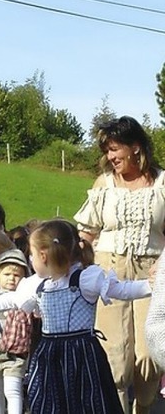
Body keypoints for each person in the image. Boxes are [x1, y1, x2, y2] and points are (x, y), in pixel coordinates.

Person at [0, 219, 153, 414]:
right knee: (51, 404)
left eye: (31, 255)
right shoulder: (37, 284)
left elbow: (123, 290)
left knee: (88, 403)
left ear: (43, 255)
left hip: (82, 355)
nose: (30, 260)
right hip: (50, 357)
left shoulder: (84, 279)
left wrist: (153, 285)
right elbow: (13, 299)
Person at [74, 115, 165, 414]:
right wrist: (78, 257)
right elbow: (86, 232)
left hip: (152, 274)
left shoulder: (162, 183)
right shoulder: (104, 185)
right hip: (109, 271)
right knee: (115, 354)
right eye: (107, 151)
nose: (110, 156)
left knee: (149, 352)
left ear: (135, 147)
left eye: (115, 149)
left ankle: (146, 406)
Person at [0, 248, 32, 414]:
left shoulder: (25, 300)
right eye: (7, 274)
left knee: (13, 390)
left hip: (15, 354)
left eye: (17, 275)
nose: (11, 278)